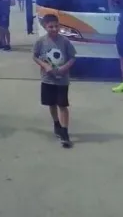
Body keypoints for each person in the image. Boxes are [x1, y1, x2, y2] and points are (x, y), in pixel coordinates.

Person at [32, 14, 76, 148]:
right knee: (52, 104)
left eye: (56, 26)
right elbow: (35, 56)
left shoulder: (65, 41)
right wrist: (45, 66)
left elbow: (72, 57)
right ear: (45, 27)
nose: (54, 29)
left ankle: (65, 132)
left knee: (62, 105)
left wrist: (64, 68)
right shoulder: (41, 42)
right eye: (51, 27)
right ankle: (57, 123)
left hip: (62, 80)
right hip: (48, 79)